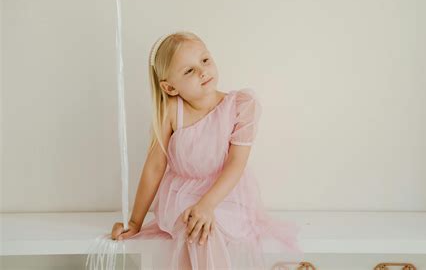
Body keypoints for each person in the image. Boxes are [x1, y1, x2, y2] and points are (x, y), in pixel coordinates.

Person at [110, 31, 303, 269]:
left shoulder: (241, 106)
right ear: (170, 87)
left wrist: (207, 205)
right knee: (194, 225)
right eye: (188, 71)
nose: (202, 71)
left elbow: (236, 164)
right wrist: (135, 221)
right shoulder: (172, 111)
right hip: (181, 196)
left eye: (204, 60)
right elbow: (155, 166)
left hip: (225, 195)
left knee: (205, 224)